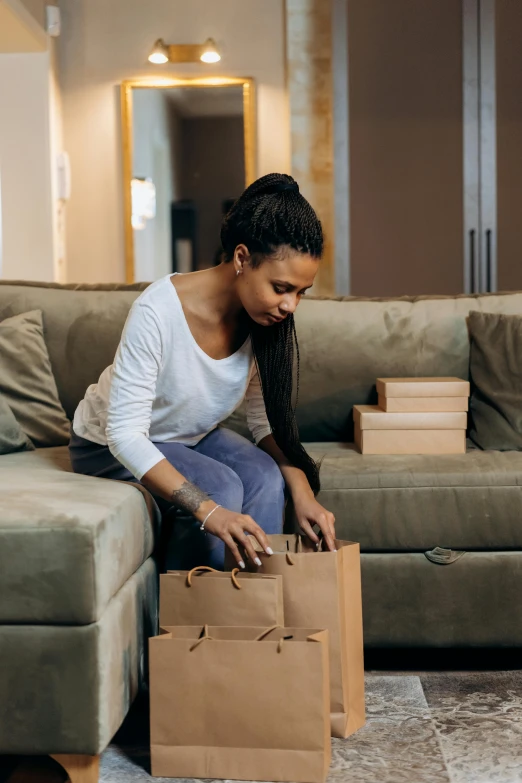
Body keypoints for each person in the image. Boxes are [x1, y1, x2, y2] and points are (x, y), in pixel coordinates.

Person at [69, 173, 336, 570]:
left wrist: (303, 491)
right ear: (242, 259)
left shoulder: (262, 321)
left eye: (301, 292)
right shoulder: (157, 310)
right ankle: (195, 618)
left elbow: (264, 424)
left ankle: (254, 608)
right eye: (281, 287)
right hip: (107, 445)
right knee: (222, 486)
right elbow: (124, 435)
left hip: (188, 439)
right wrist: (210, 510)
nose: (290, 305)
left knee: (266, 476)